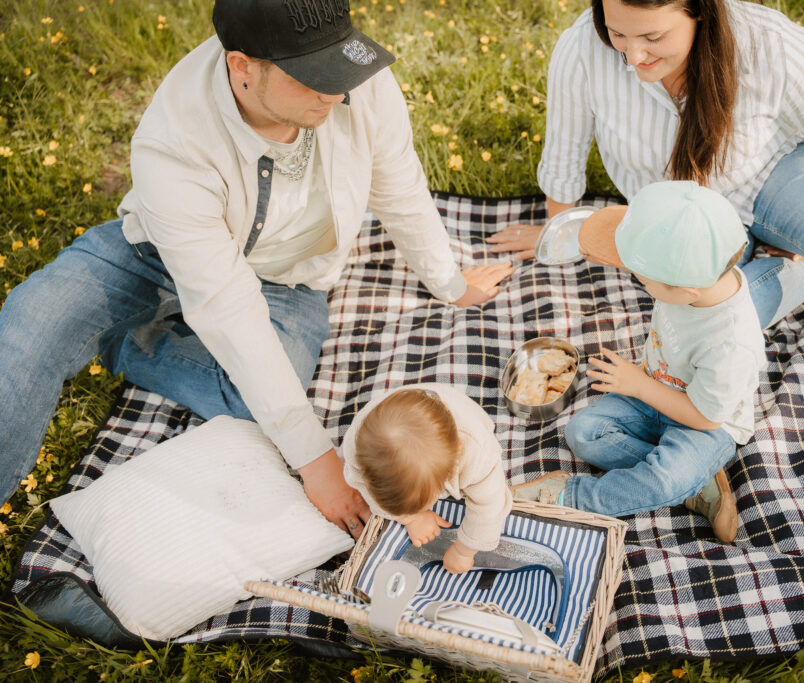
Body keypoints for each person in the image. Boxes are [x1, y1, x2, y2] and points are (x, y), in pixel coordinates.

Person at [0, 0, 514, 535]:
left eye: (340, 68)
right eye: (315, 78)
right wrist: (317, 463)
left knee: (264, 397)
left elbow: (399, 186)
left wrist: (449, 283)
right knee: (32, 321)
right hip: (154, 253)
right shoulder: (173, 144)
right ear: (242, 66)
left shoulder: (357, 84)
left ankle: (125, 343)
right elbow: (226, 305)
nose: (337, 93)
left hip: (288, 278)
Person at [488, 0, 804, 461]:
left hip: (774, 180)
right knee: (720, 325)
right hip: (684, 224)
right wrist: (561, 228)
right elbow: (564, 153)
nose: (632, 55)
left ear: (699, 11)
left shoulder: (771, 43)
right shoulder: (581, 48)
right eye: (617, 33)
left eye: (653, 38)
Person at [513, 181, 764, 543]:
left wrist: (637, 384)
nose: (638, 281)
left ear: (685, 291)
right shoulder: (692, 271)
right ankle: (698, 484)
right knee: (582, 433)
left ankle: (572, 495)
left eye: (642, 280)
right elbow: (646, 238)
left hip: (705, 424)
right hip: (653, 392)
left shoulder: (731, 344)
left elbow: (706, 416)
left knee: (666, 478)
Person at [342, 383, 513, 573]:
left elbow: (489, 508)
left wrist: (463, 551)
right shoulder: (356, 446)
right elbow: (362, 484)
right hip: (402, 409)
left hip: (463, 419)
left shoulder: (476, 454)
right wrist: (411, 518)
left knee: (487, 494)